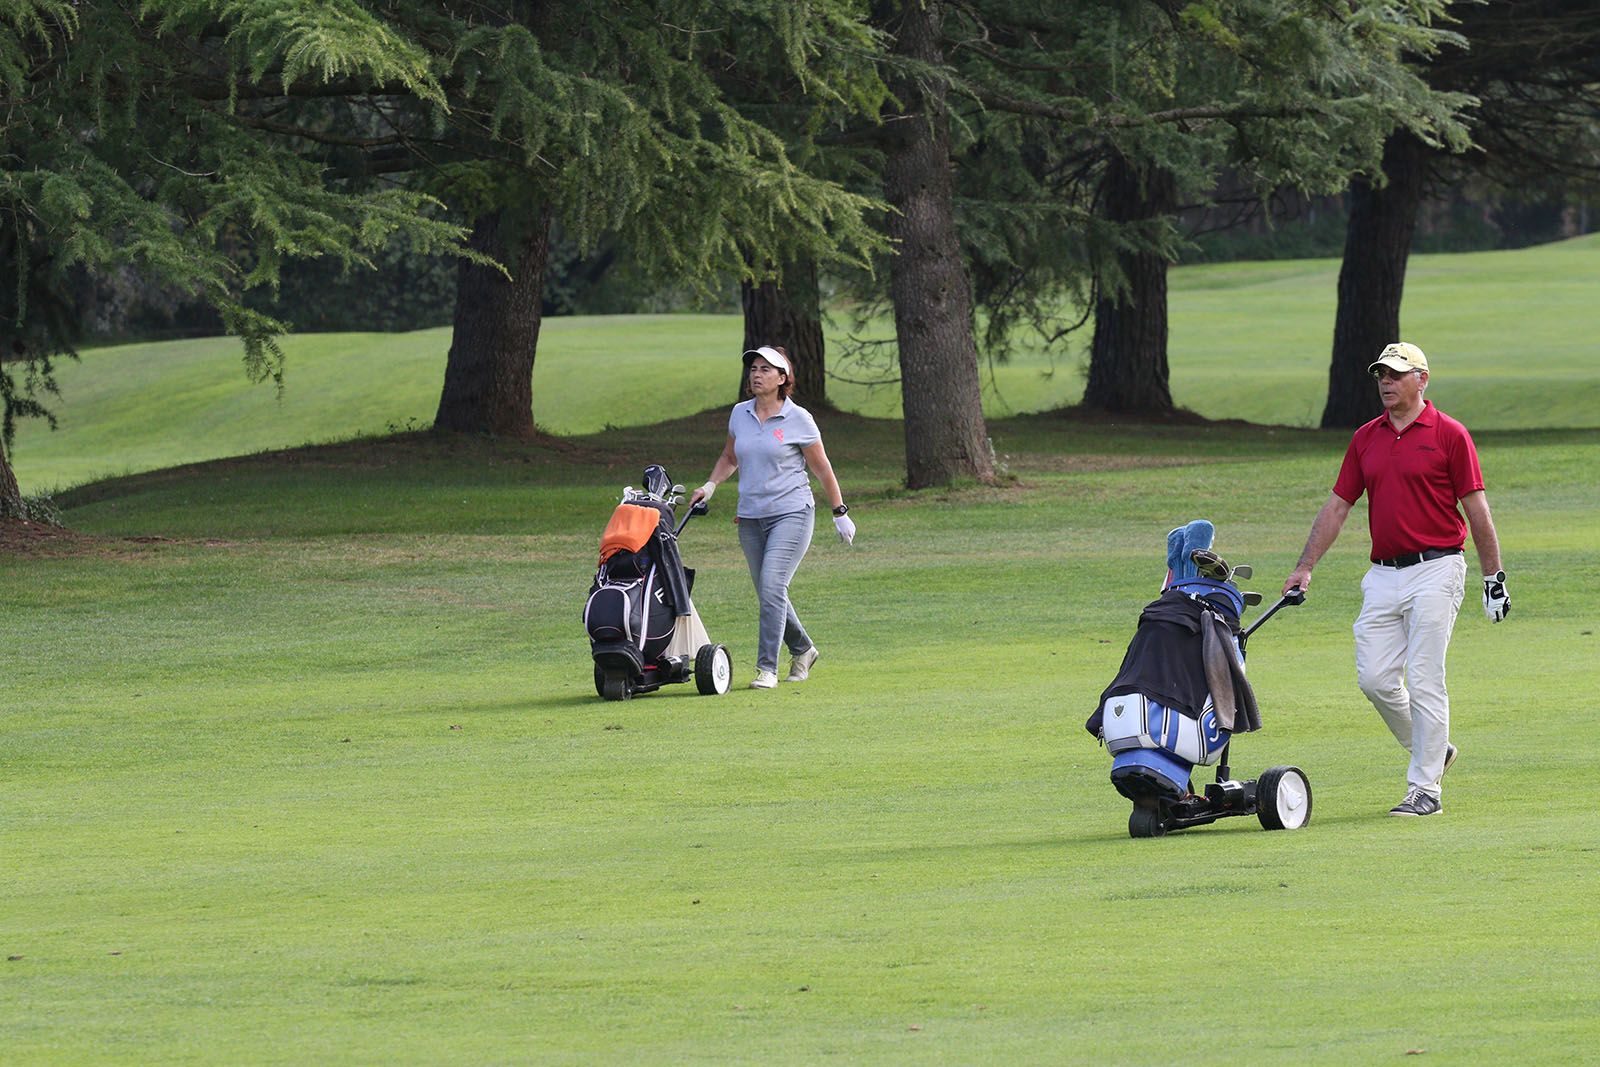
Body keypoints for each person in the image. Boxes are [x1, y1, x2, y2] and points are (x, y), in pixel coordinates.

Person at [1283, 341, 1509, 817]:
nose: (1386, 381)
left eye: (1396, 373)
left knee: (1426, 677)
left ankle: (1424, 790)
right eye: (1381, 374)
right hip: (1383, 575)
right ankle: (1436, 751)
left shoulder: (1449, 434)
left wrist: (1494, 577)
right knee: (1375, 678)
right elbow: (1338, 506)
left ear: (1421, 380)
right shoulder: (1366, 437)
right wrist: (1305, 566)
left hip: (1438, 568)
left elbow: (1478, 510)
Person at [689, 345, 855, 690]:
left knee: (771, 586)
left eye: (765, 369)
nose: (756, 374)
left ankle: (767, 668)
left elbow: (821, 468)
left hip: (792, 514)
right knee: (770, 593)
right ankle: (804, 649)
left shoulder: (799, 419)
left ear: (782, 379)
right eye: (753, 368)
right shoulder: (739, 414)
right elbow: (730, 456)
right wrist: (711, 484)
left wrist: (839, 511)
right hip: (750, 518)